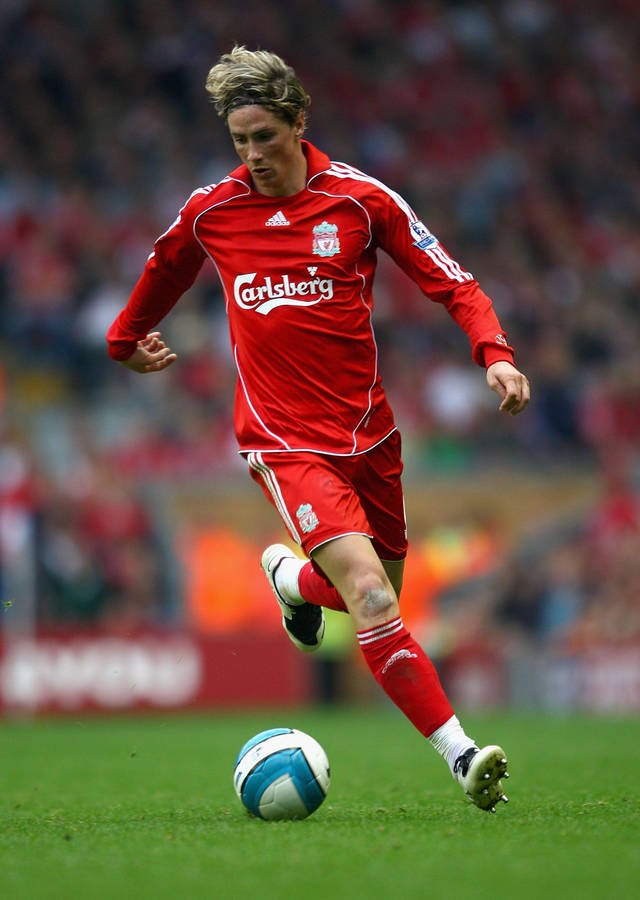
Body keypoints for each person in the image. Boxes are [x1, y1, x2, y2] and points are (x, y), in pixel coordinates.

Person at [107, 45, 529, 812]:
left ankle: (291, 578)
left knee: (378, 597)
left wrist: (494, 355)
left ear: (299, 124)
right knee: (371, 598)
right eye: (239, 141)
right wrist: (124, 340)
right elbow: (164, 267)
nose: (252, 156)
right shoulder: (214, 210)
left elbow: (454, 282)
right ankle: (463, 755)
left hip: (371, 436)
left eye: (264, 136)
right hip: (281, 440)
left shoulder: (361, 202)